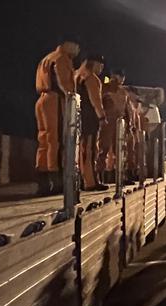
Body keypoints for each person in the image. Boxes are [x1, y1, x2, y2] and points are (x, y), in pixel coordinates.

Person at [33, 36, 80, 195]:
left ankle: (43, 182)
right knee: (56, 140)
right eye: (76, 46)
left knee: (44, 139)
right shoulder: (62, 58)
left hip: (42, 99)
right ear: (68, 44)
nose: (77, 50)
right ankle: (57, 182)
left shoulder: (46, 58)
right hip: (55, 101)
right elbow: (62, 81)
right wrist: (70, 97)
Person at [75, 54, 108, 191]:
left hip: (79, 116)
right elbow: (96, 101)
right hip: (90, 118)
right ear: (94, 64)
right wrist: (102, 117)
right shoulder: (92, 79)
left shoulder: (77, 76)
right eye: (100, 65)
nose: (101, 69)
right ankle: (91, 182)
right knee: (90, 150)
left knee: (82, 150)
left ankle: (84, 180)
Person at [99, 67, 129, 181]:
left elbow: (126, 109)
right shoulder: (106, 88)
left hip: (119, 123)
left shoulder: (122, 91)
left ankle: (119, 176)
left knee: (120, 150)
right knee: (104, 148)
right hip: (109, 122)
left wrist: (128, 123)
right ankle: (101, 175)